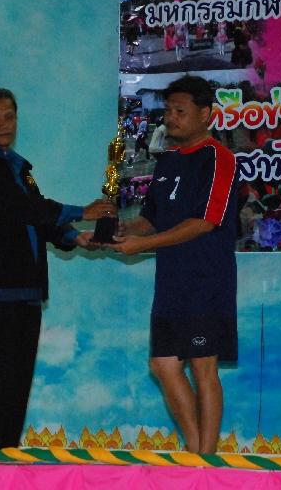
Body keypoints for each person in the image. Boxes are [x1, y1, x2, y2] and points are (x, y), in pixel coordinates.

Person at [0, 88, 114, 450]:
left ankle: (6, 458)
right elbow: (23, 209)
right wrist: (82, 212)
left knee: (16, 385)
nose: (4, 125)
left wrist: (74, 236)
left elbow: (37, 215)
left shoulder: (17, 167)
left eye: (9, 116)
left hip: (26, 290)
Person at [104, 75, 239, 454]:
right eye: (168, 110)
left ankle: (205, 460)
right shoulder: (167, 161)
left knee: (202, 367)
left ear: (205, 114)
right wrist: (121, 230)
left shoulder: (219, 158)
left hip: (205, 281)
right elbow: (151, 217)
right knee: (163, 365)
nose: (170, 118)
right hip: (170, 283)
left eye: (180, 111)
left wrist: (143, 245)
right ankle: (197, 451)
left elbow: (205, 222)